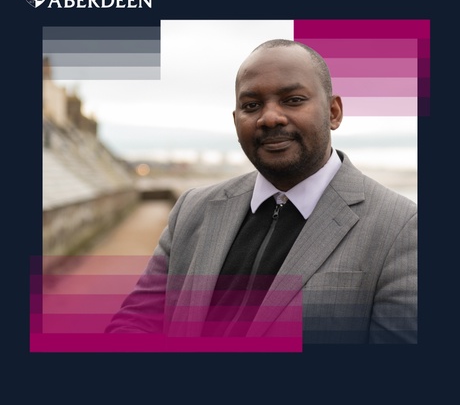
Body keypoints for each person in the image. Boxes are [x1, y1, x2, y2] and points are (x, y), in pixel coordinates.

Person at [105, 39, 417, 344]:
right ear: (235, 120)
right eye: (251, 105)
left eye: (293, 99)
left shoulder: (401, 227)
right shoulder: (193, 210)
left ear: (333, 112)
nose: (269, 118)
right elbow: (134, 325)